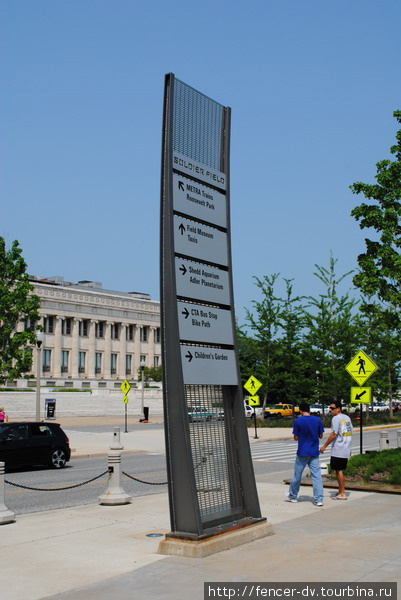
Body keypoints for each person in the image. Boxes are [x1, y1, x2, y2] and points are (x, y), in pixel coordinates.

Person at [285, 401, 325, 506]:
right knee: (316, 476)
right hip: (314, 452)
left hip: (302, 451)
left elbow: (295, 437)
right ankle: (319, 499)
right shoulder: (317, 420)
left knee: (297, 476)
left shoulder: (298, 421)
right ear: (309, 410)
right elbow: (321, 435)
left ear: (300, 411)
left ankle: (293, 496)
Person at [320, 399, 353, 500]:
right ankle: (341, 491)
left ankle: (342, 493)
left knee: (338, 471)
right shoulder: (347, 418)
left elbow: (334, 434)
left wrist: (324, 446)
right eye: (329, 408)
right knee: (340, 470)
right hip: (346, 448)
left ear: (338, 409)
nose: (330, 410)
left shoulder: (335, 419)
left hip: (338, 449)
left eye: (332, 408)